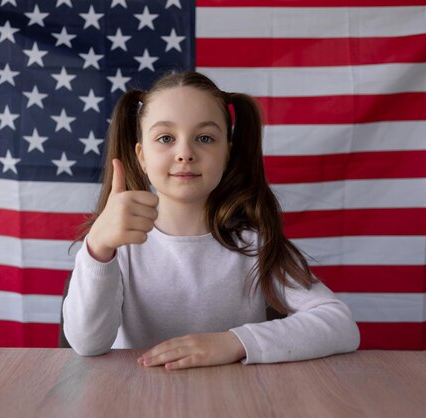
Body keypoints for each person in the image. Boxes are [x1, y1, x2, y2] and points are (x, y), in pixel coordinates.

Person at [63, 71, 360, 370]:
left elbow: (340, 323)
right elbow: (88, 344)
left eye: (205, 138)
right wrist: (99, 248)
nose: (185, 153)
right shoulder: (116, 249)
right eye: (165, 138)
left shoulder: (255, 244)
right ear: (141, 155)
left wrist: (234, 342)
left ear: (227, 153)